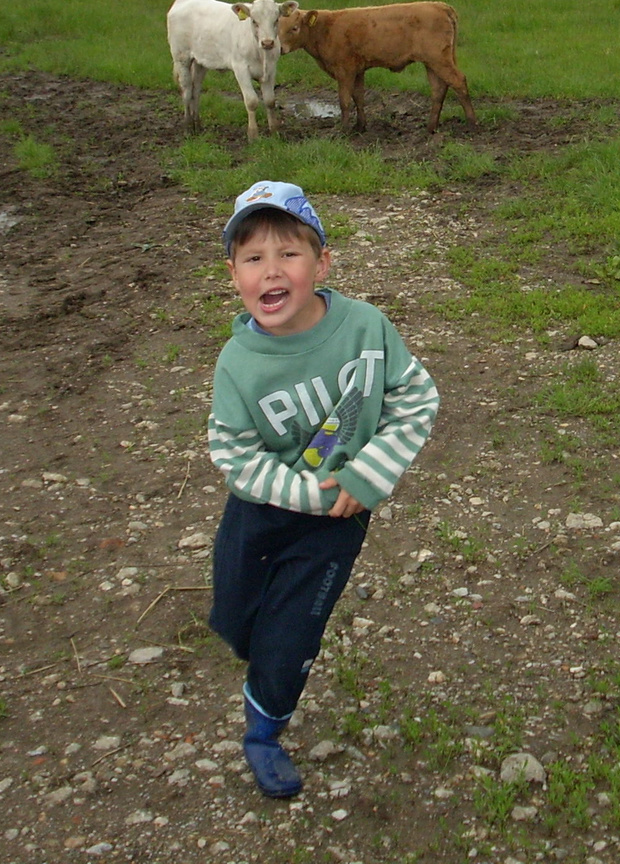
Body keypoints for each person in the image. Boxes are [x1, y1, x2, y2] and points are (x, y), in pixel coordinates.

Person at [206, 180, 439, 799]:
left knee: (290, 637)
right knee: (236, 619)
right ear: (234, 275)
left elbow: (417, 398)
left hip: (339, 518)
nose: (272, 271)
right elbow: (232, 451)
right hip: (260, 510)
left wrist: (367, 476)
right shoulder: (239, 362)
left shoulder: (365, 328)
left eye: (289, 254)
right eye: (254, 259)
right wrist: (302, 492)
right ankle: (259, 656)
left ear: (322, 264)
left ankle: (264, 730)